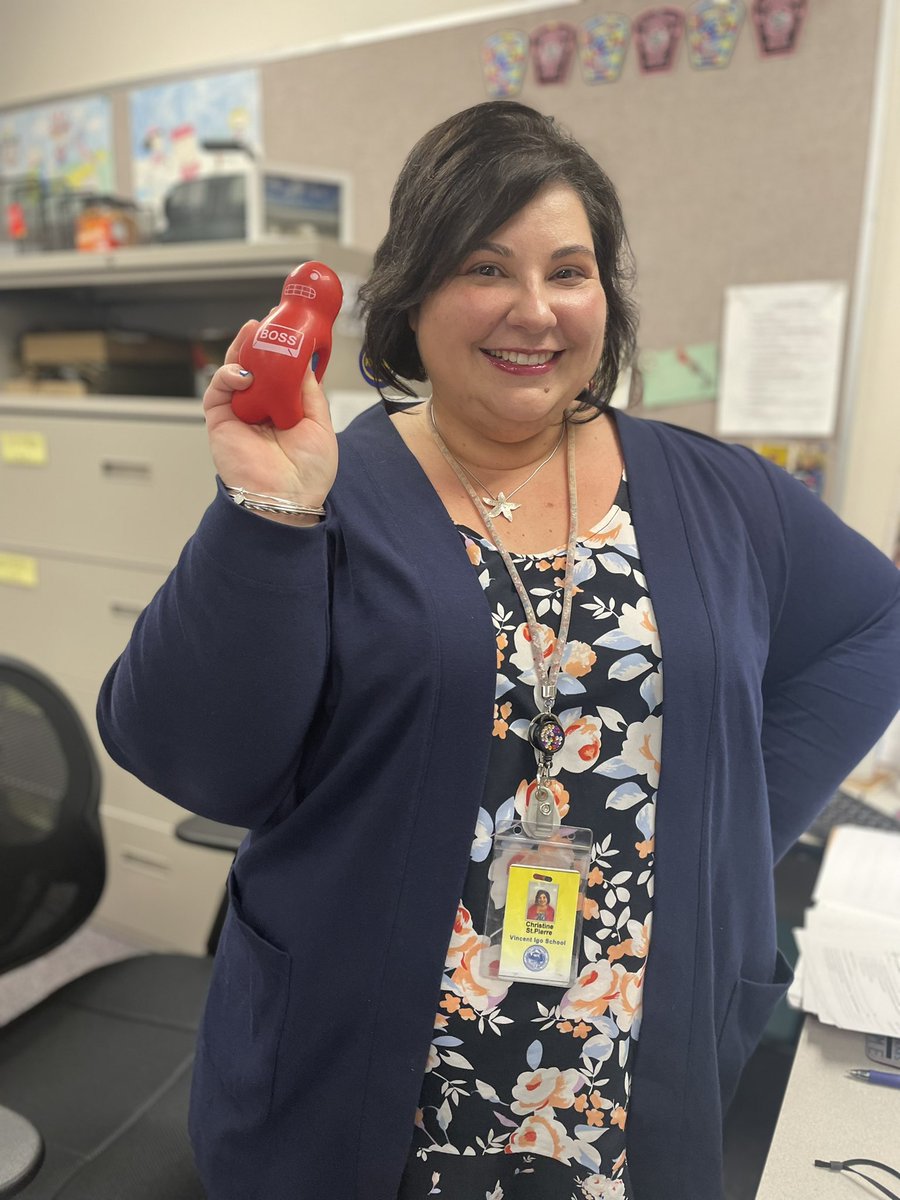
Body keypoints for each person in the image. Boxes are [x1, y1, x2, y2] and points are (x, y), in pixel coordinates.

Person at [96, 101, 900, 1200]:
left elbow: (875, 622)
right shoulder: (333, 485)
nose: (534, 309)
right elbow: (194, 761)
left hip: (618, 1078)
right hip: (362, 1075)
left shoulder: (718, 491)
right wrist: (263, 511)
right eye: (487, 266)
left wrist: (737, 827)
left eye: (569, 270)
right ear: (414, 294)